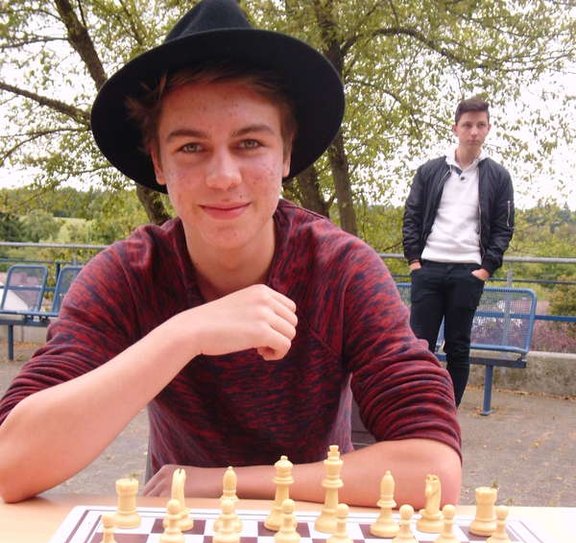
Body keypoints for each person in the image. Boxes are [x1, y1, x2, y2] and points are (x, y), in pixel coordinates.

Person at [0, 0, 461, 506]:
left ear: (286, 154)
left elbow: (435, 470)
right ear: (158, 163)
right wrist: (185, 334)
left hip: (311, 524)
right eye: (191, 148)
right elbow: (9, 463)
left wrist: (227, 482)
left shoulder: (341, 271)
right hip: (178, 531)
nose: (223, 177)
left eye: (249, 144)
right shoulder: (128, 276)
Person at [402, 97, 514, 406]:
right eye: (467, 125)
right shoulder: (430, 171)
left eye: (480, 125)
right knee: (419, 346)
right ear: (456, 128)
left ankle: (447, 413)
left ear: (488, 129)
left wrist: (485, 270)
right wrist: (414, 261)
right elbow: (412, 216)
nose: (474, 132)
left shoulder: (498, 176)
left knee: (458, 348)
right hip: (428, 268)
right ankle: (416, 409)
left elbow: (504, 227)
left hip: (468, 272)